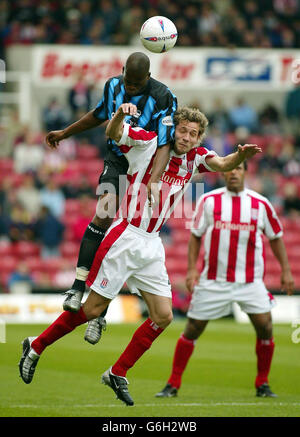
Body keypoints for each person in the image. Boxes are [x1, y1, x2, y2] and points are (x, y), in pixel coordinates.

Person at [19, 103, 261, 407]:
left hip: (151, 244)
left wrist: (241, 155)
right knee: (92, 310)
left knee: (163, 316)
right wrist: (120, 114)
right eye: (183, 130)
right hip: (125, 237)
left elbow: (224, 164)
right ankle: (36, 346)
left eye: (193, 134)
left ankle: (117, 372)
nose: (186, 138)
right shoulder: (149, 142)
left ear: (199, 139)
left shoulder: (196, 158)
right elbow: (114, 131)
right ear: (174, 129)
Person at [45, 52, 178, 331]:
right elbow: (98, 116)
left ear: (148, 78)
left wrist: (153, 180)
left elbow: (165, 144)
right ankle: (77, 285)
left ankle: (101, 309)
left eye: (137, 84)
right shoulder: (112, 85)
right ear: (122, 72)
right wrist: (65, 133)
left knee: (125, 233)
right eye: (128, 81)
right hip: (119, 159)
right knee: (105, 212)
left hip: (146, 165)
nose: (130, 88)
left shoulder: (164, 96)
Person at [156, 161, 294, 400]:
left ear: (245, 172)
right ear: (223, 173)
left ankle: (262, 383)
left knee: (265, 327)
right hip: (214, 280)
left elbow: (276, 237)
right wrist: (191, 270)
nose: (233, 173)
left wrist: (286, 270)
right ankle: (172, 383)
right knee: (193, 329)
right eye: (230, 169)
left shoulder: (260, 204)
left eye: (239, 169)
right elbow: (196, 236)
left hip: (250, 281)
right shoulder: (209, 201)